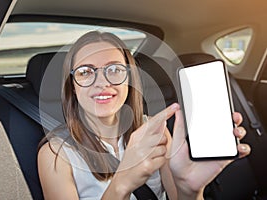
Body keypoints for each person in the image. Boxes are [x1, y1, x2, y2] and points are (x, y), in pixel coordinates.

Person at [37, 31, 250, 200]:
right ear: (72, 86)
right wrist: (123, 182)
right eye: (85, 72)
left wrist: (190, 190)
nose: (102, 82)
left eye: (114, 69)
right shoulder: (55, 154)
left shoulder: (154, 130)